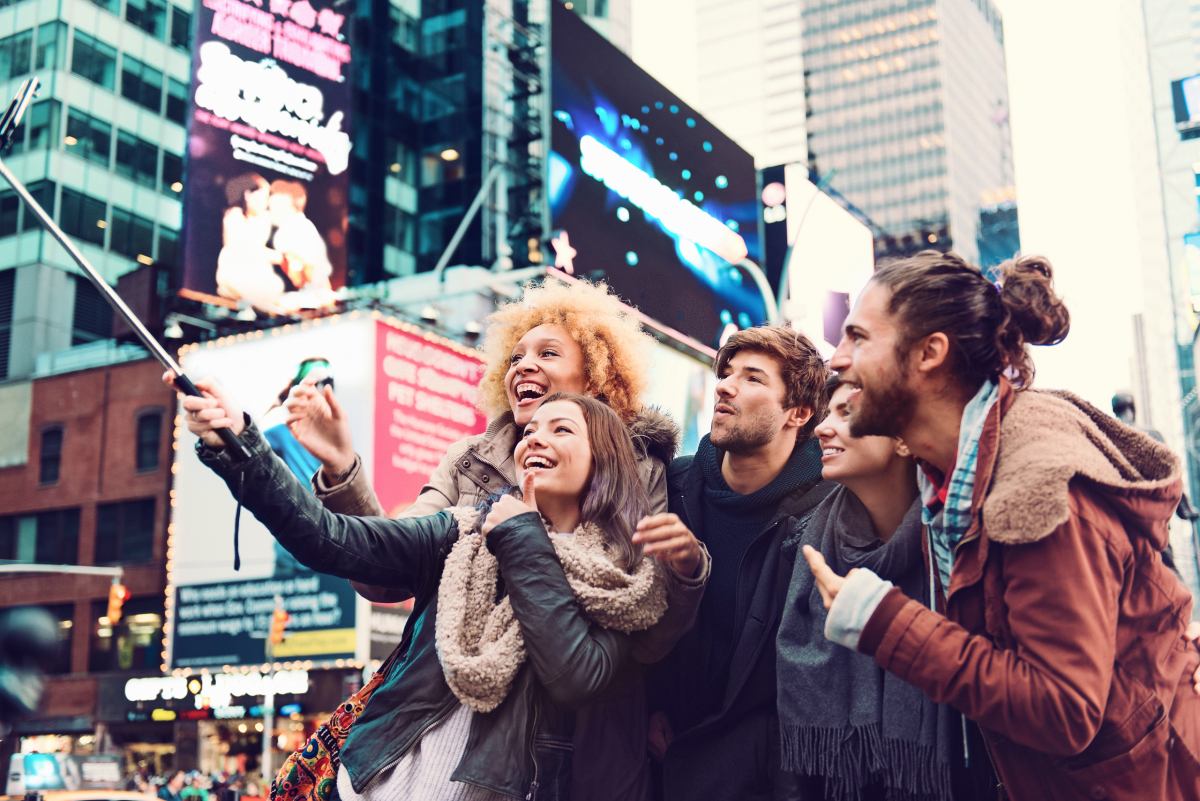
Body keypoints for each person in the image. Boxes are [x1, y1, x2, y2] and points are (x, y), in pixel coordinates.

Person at [280, 279, 707, 801]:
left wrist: (685, 575)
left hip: (578, 744)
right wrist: (342, 470)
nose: (524, 366)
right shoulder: (469, 458)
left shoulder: (638, 469)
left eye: (548, 353)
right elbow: (386, 567)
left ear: (597, 377)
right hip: (438, 724)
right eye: (515, 357)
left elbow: (641, 621)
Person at [807, 251, 1200, 801]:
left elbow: (1064, 709)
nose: (837, 360)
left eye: (859, 337)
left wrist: (883, 622)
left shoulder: (1037, 487)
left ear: (929, 353)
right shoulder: (949, 478)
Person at [174, 387, 671, 801]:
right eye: (531, 429)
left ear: (604, 460)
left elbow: (575, 675)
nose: (535, 438)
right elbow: (331, 539)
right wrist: (242, 446)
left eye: (561, 429)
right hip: (371, 785)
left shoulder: (622, 583)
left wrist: (524, 539)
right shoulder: (460, 533)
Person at [780, 375, 995, 800]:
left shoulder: (958, 542)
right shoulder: (805, 542)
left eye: (847, 413)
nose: (824, 427)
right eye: (827, 413)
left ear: (902, 440)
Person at [648, 325, 835, 801]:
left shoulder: (830, 511)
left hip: (763, 777)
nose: (726, 385)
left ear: (799, 412)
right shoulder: (670, 486)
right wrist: (644, 707)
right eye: (727, 373)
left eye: (752, 378)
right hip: (658, 758)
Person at [215, 172, 284, 308]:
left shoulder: (264, 218)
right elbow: (243, 249)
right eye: (262, 197)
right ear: (247, 195)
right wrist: (274, 256)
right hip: (236, 268)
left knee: (276, 286)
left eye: (266, 198)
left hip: (257, 269)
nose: (265, 202)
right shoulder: (234, 216)